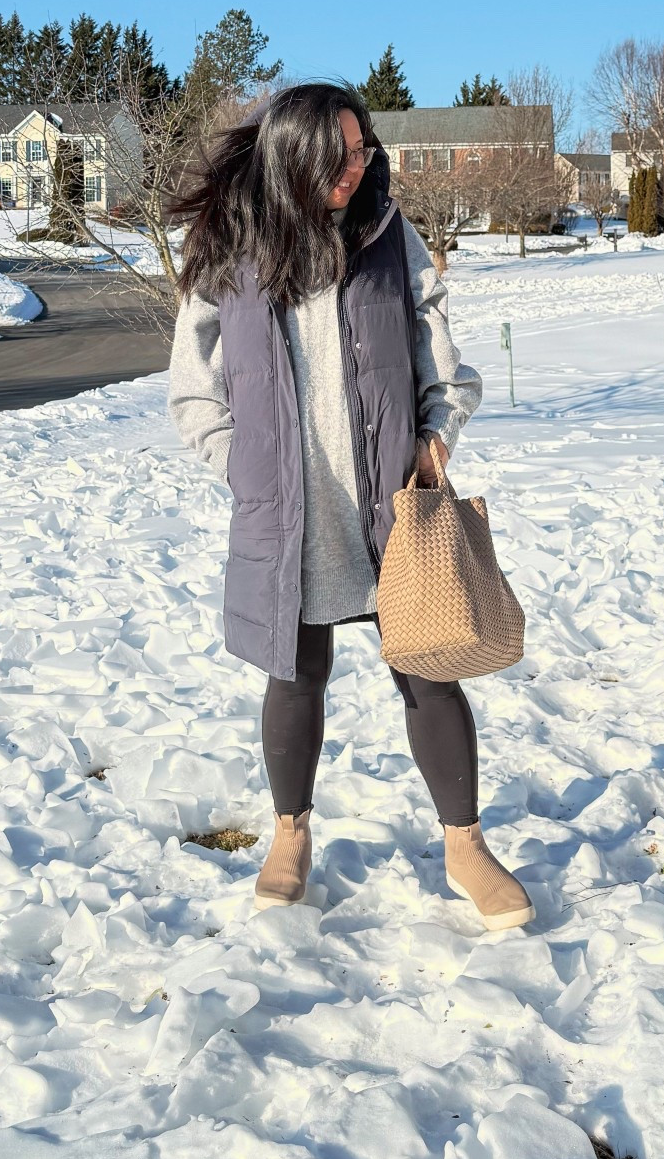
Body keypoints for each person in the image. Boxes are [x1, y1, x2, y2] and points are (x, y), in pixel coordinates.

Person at [167, 81, 533, 931]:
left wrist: (437, 438)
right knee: (295, 676)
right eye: (339, 154)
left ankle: (466, 846)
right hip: (288, 515)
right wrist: (245, 469)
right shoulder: (227, 245)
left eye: (363, 149)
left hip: (393, 508)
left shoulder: (385, 232)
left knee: (431, 672)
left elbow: (440, 352)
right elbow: (193, 389)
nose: (356, 166)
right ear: (292, 155)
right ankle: (290, 834)